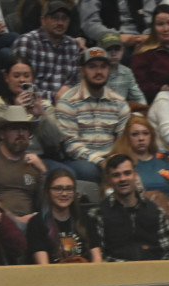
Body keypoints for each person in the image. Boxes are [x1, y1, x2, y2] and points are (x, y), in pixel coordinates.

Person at [56, 46, 131, 183]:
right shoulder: (68, 101)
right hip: (80, 160)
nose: (98, 71)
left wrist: (117, 161)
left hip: (112, 159)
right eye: (92, 66)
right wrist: (100, 161)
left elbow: (123, 141)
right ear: (82, 70)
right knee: (90, 171)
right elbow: (71, 145)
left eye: (103, 67)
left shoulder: (119, 103)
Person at [90, 153, 169, 261]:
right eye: (116, 175)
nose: (122, 179)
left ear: (135, 175)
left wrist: (156, 271)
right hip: (117, 275)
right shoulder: (98, 214)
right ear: (108, 180)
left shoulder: (156, 212)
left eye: (127, 173)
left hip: (155, 274)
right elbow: (100, 258)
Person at [0, 59, 65, 173]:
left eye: (27, 76)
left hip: (41, 157)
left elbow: (55, 141)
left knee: (66, 173)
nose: (22, 80)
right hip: (5, 159)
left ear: (32, 79)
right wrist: (17, 109)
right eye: (16, 76)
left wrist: (42, 116)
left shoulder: (44, 105)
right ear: (7, 78)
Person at [108, 114, 169, 220]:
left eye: (145, 133)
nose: (141, 138)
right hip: (133, 216)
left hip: (168, 214)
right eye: (135, 134)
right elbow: (110, 193)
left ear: (151, 136)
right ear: (127, 138)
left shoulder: (162, 160)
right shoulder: (121, 163)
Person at [9, 0, 82, 100]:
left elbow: (75, 81)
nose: (60, 23)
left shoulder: (73, 45)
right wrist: (55, 97)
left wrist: (68, 88)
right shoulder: (26, 42)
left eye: (64, 18)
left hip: (67, 106)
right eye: (55, 17)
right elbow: (21, 85)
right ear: (43, 20)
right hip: (34, 104)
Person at [26, 168, 102, 263]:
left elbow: (97, 259)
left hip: (84, 275)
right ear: (48, 191)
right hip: (53, 276)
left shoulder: (85, 219)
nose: (64, 193)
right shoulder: (37, 223)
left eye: (69, 188)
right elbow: (43, 267)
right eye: (58, 188)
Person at [98, 31, 148, 114]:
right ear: (99, 51)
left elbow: (139, 98)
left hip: (121, 115)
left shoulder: (127, 72)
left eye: (117, 49)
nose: (113, 53)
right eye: (108, 50)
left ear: (123, 50)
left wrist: (139, 113)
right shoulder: (94, 72)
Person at [79, 0, 154, 50]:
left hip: (143, 38)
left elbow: (152, 18)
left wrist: (148, 34)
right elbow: (89, 24)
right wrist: (115, 37)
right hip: (108, 40)